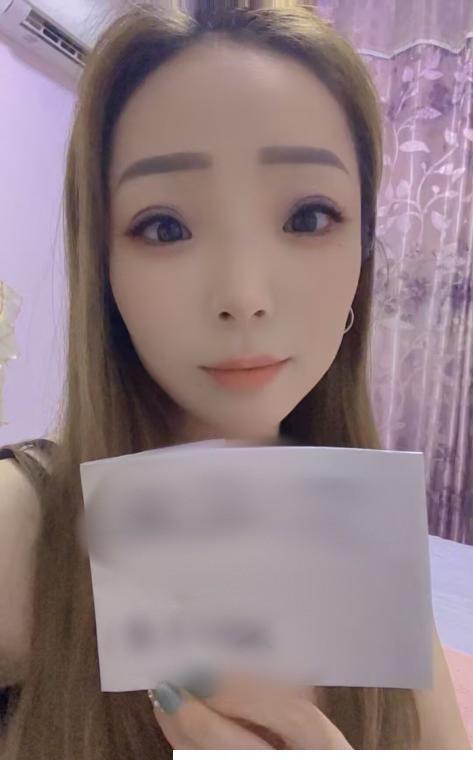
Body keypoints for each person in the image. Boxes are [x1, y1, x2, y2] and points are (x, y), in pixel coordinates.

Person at [0, 2, 470, 756]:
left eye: (308, 218)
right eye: (165, 227)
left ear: (363, 252)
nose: (244, 295)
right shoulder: (23, 525)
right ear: (104, 268)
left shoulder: (368, 540)